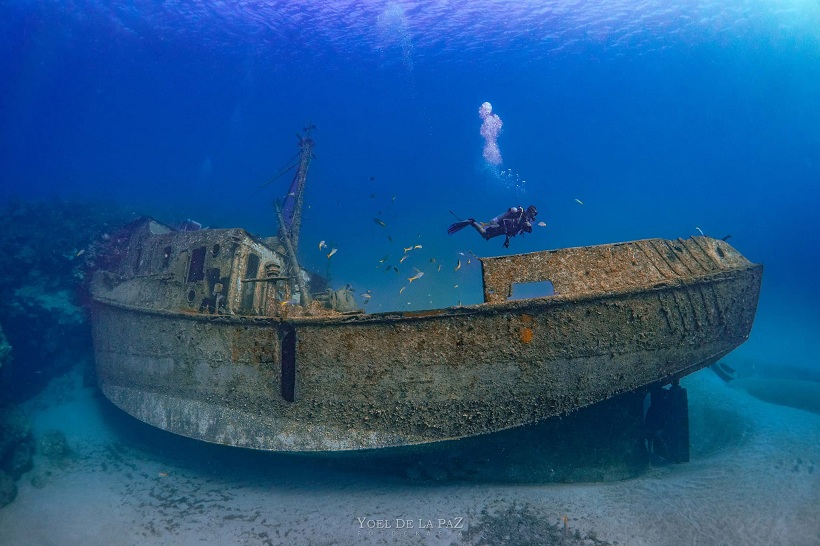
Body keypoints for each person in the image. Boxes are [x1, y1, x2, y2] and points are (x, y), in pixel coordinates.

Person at [448, 205, 538, 248]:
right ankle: (472, 221)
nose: (531, 217)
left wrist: (507, 240)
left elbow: (511, 231)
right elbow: (508, 222)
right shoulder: (519, 214)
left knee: (485, 235)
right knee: (484, 234)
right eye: (531, 214)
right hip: (499, 225)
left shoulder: (523, 222)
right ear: (529, 212)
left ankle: (472, 222)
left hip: (503, 228)